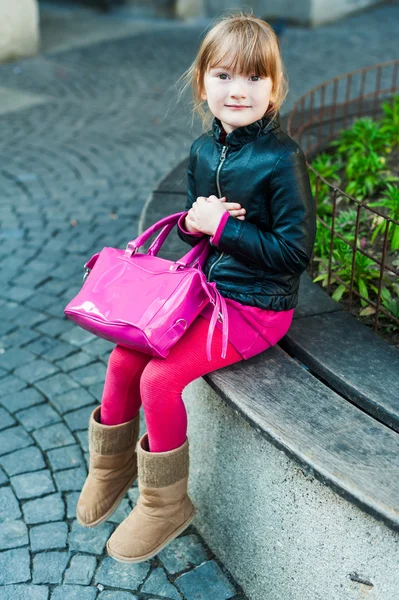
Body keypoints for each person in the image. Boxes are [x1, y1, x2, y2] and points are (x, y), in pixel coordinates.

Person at [76, 10, 316, 564]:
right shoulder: (204, 151)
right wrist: (194, 223)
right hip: (205, 290)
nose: (239, 90)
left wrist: (223, 227)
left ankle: (165, 504)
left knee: (159, 380)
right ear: (202, 82)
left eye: (255, 78)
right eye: (225, 76)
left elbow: (294, 254)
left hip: (257, 305)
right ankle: (111, 468)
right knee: (121, 361)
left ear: (274, 88)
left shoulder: (282, 160)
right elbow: (192, 225)